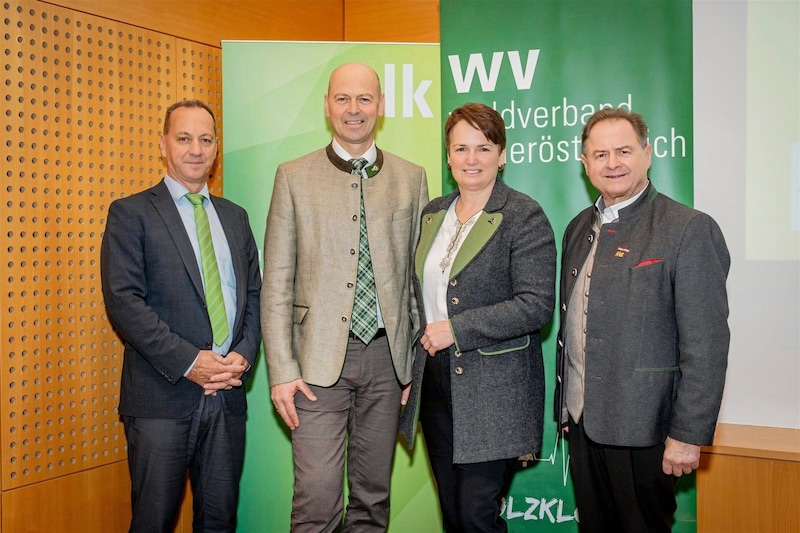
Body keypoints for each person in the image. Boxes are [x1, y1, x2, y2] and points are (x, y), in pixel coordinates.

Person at [261, 62, 429, 532]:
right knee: (317, 504)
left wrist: (414, 365)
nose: (353, 110)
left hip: (386, 363)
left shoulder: (411, 178)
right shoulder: (293, 176)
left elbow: (416, 281)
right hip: (314, 364)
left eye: (364, 99)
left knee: (373, 502)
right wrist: (281, 372)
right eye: (342, 99)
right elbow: (276, 281)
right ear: (327, 106)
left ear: (381, 106)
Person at [555, 108, 730, 532]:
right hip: (583, 424)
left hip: (646, 429)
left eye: (624, 151)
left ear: (648, 154)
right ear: (584, 163)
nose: (612, 163)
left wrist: (688, 434)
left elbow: (705, 345)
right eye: (600, 154)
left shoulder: (688, 228)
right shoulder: (579, 227)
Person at [100, 99, 262, 532]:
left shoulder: (235, 217)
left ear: (216, 149)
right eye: (184, 138)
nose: (196, 149)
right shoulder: (131, 213)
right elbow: (124, 301)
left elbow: (253, 294)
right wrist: (192, 363)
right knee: (153, 521)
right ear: (163, 144)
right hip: (160, 399)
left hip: (227, 396)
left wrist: (242, 357)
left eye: (205, 140)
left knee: (219, 521)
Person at [399, 102, 557, 532]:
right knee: (453, 515)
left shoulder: (523, 215)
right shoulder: (433, 213)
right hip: (434, 381)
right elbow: (419, 299)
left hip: (496, 391)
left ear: (502, 155)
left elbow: (537, 304)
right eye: (461, 148)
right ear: (448, 156)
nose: (472, 159)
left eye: (484, 148)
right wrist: (412, 368)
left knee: (476, 517)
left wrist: (458, 329)